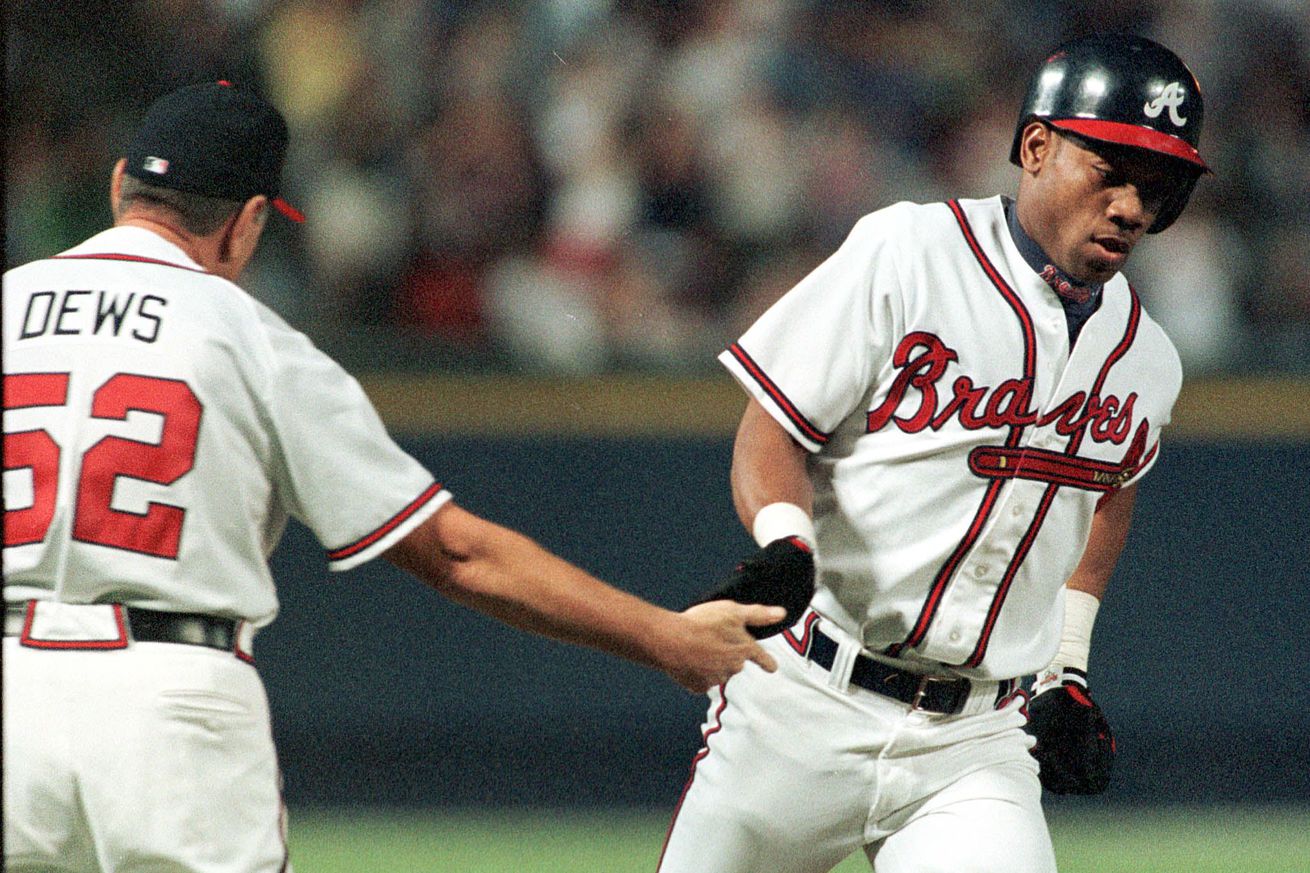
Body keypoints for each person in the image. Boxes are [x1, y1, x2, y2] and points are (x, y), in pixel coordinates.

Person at [0, 81, 786, 872]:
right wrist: (666, 637)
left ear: (117, 184)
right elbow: (457, 553)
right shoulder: (252, 340)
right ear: (247, 223)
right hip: (171, 703)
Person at [658, 34, 1208, 873]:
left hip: (974, 741)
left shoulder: (1148, 357)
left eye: (1159, 185)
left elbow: (1106, 492)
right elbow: (772, 426)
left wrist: (1066, 666)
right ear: (1035, 147)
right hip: (806, 697)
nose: (1134, 205)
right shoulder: (911, 253)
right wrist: (784, 539)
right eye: (1111, 169)